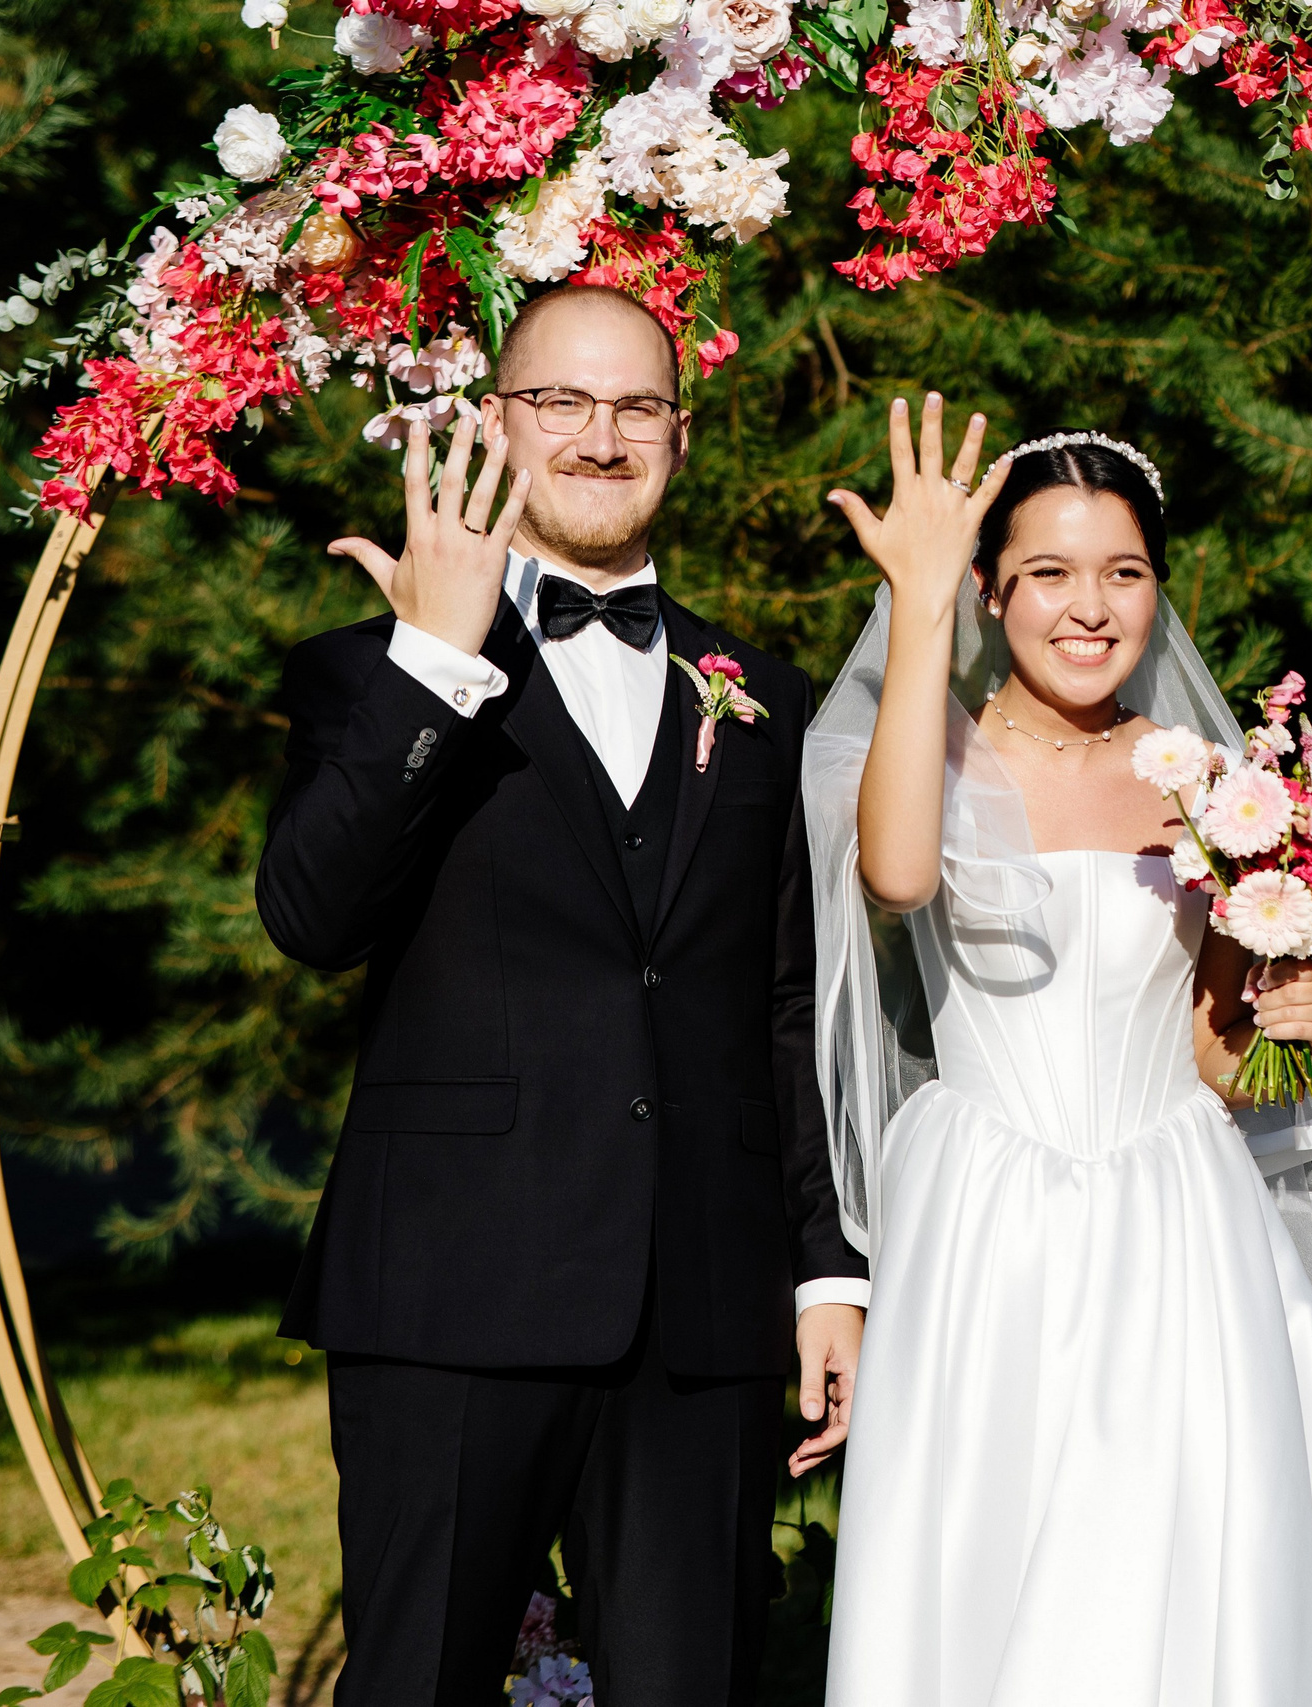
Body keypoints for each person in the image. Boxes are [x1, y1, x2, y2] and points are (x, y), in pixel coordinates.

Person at [805, 396, 1312, 1704]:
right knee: (995, 1561)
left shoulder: (1213, 784)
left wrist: (1299, 1023)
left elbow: (1221, 1059)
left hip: (1179, 1213)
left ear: (1158, 590)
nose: (1091, 607)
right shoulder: (930, 749)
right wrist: (914, 608)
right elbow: (897, 875)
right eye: (1050, 574)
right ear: (990, 593)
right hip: (992, 1216)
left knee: (1195, 1556)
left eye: (1124, 573)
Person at [254, 284, 868, 1707]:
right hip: (451, 1289)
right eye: (562, 404)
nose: (602, 437)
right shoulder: (369, 675)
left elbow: (790, 1003)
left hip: (704, 1307)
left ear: (682, 436)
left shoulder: (759, 701)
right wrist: (438, 661)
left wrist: (828, 1267)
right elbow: (310, 918)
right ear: (496, 423)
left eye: (637, 406)